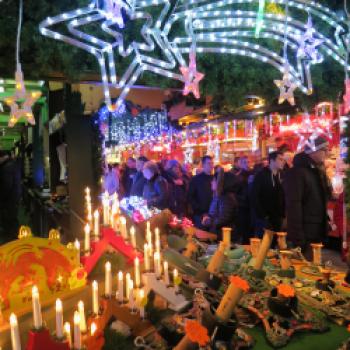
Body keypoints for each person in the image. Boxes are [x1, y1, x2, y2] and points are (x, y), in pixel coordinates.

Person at [284, 136, 332, 257]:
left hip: (316, 233)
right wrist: (299, 240)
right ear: (313, 151)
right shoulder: (297, 173)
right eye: (325, 149)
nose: (328, 153)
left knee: (314, 270)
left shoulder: (317, 170)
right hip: (305, 236)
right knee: (305, 270)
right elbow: (294, 206)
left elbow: (319, 200)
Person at [252, 151, 285, 236]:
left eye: (283, 160)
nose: (283, 162)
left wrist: (283, 213)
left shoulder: (282, 175)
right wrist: (262, 215)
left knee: (276, 244)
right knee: (264, 243)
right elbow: (255, 196)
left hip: (278, 217)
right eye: (280, 159)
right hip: (265, 218)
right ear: (272, 161)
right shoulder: (261, 175)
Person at [202, 169, 238, 238]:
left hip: (223, 236)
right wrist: (206, 216)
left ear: (220, 182)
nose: (211, 182)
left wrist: (207, 222)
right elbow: (213, 212)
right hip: (217, 233)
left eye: (214, 180)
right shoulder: (217, 196)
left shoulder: (226, 198)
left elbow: (222, 219)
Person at [0, 150, 21, 243]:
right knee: (12, 217)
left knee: (10, 218)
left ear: (3, 157)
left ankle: (12, 239)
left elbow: (6, 185)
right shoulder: (12, 164)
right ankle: (13, 237)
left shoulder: (7, 167)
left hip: (9, 198)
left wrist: (1, 197)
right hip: (14, 196)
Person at [188, 155, 214, 229]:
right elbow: (190, 197)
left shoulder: (215, 178)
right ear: (203, 165)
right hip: (200, 214)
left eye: (212, 163)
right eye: (209, 163)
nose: (211, 165)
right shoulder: (196, 179)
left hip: (213, 214)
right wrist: (199, 209)